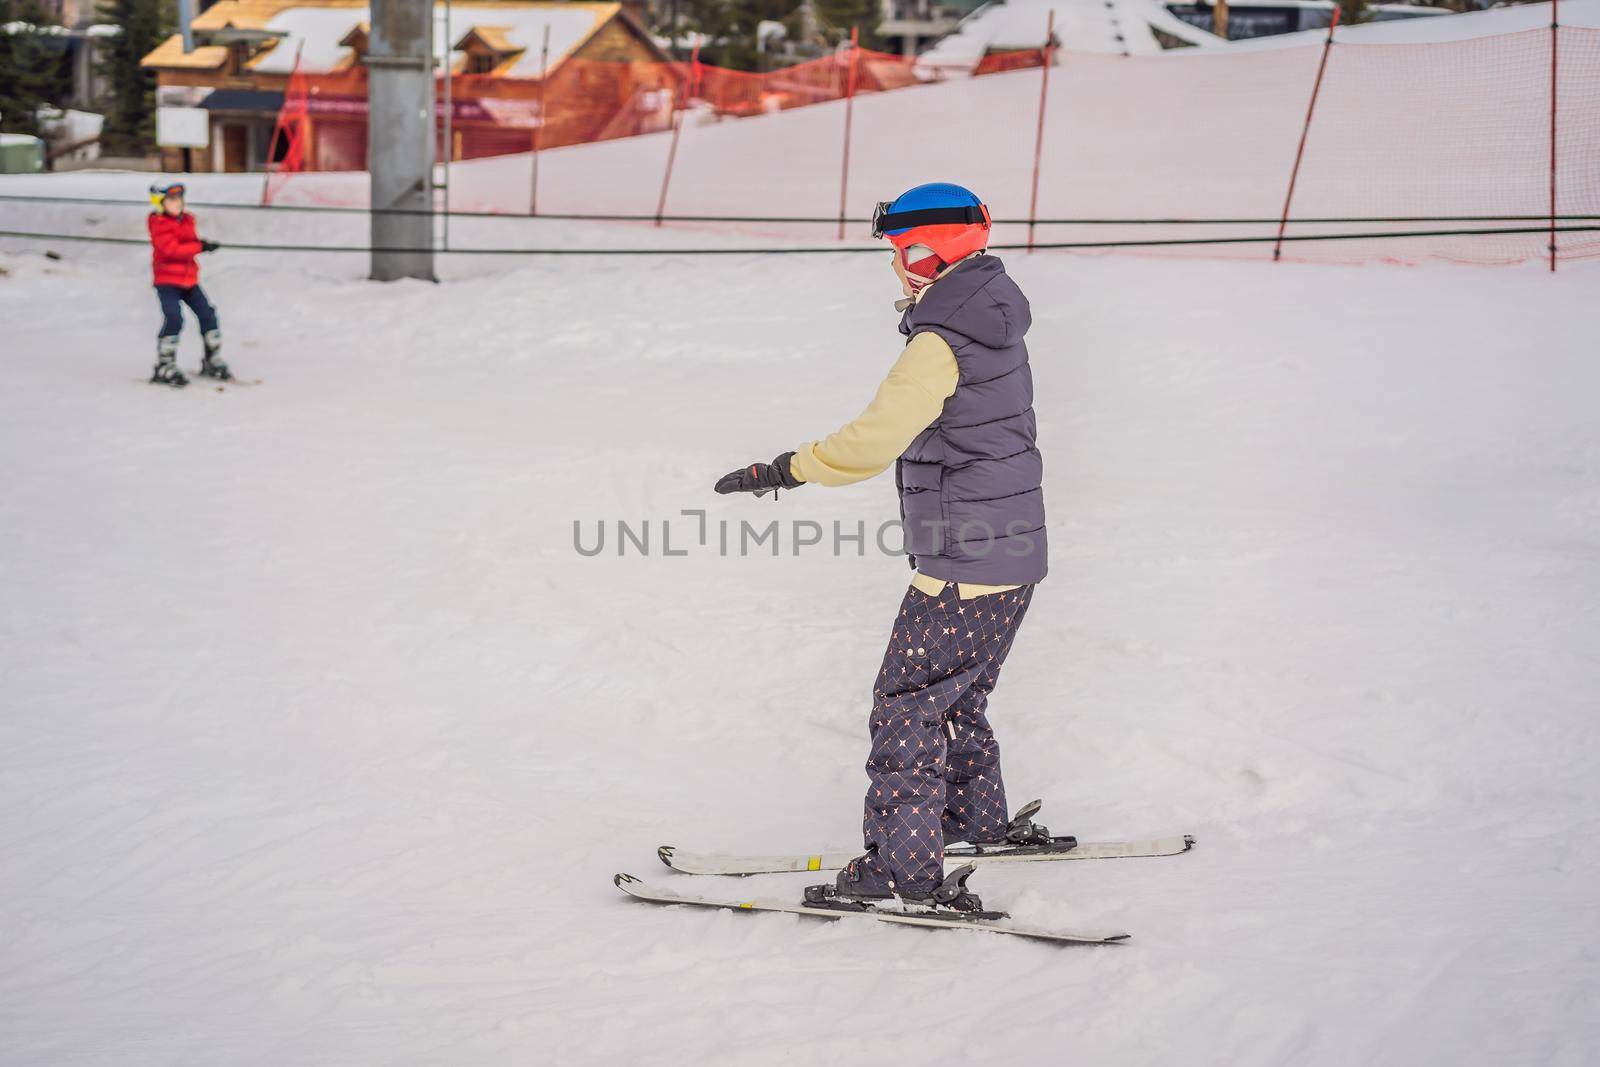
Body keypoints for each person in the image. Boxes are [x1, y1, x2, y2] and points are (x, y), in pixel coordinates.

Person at [714, 182, 1053, 915]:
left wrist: (786, 469)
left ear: (928, 254)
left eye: (900, 254)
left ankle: (905, 870)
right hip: (1013, 551)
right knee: (958, 694)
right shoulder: (993, 311)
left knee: (907, 706)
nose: (896, 269)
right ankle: (972, 819)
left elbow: (872, 441)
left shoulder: (939, 342)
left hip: (964, 559)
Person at [146, 181, 231, 387]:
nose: (177, 203)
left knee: (207, 314)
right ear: (160, 202)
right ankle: (164, 364)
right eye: (171, 200)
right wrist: (199, 246)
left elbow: (188, 242)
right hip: (167, 281)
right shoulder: (159, 224)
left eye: (179, 199)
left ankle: (212, 358)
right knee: (174, 317)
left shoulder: (186, 220)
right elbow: (172, 250)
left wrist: (203, 244)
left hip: (189, 280)